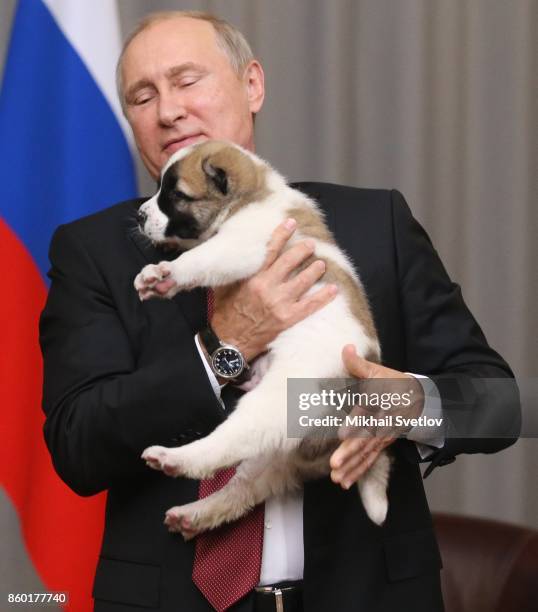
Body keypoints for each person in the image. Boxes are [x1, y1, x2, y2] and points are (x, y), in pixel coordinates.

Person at [39, 10, 520, 612]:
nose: (168, 110)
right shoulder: (97, 252)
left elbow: (501, 405)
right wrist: (223, 346)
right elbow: (77, 445)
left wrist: (404, 404)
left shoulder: (375, 227)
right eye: (143, 95)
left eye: (188, 80)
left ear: (253, 85)